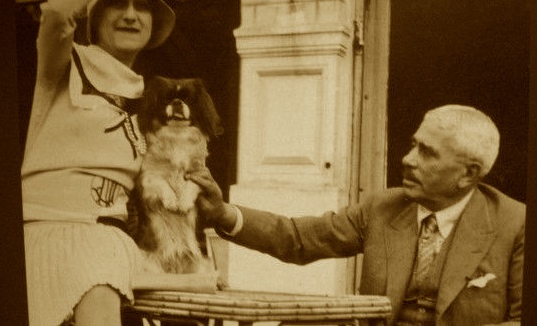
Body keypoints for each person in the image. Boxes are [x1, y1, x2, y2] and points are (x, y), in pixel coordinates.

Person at [191, 104, 525, 326]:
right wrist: (222, 213)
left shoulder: (516, 224)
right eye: (414, 145)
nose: (408, 159)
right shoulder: (383, 207)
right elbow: (298, 239)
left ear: (468, 174)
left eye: (427, 153)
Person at [21, 0, 184, 325]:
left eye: (142, 6)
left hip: (109, 242)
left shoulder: (150, 97)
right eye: (117, 3)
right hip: (46, 233)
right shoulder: (64, 64)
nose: (131, 15)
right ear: (95, 18)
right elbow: (57, 12)